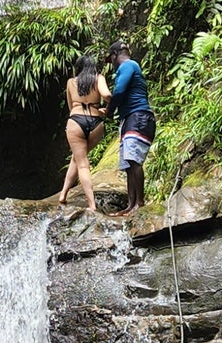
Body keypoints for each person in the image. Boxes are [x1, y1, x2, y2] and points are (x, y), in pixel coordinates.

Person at [57, 54, 110, 214]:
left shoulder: (71, 82)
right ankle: (63, 194)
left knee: (82, 163)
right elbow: (107, 95)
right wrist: (108, 108)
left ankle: (91, 204)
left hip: (76, 122)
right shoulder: (98, 78)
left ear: (78, 68)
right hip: (96, 123)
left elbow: (71, 107)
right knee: (77, 158)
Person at [106, 41, 155, 213]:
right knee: (128, 164)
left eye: (110, 59)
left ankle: (139, 203)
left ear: (114, 55)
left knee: (134, 160)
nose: (110, 64)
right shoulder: (128, 67)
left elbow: (119, 91)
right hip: (130, 118)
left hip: (139, 116)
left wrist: (109, 111)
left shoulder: (129, 65)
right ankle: (130, 205)